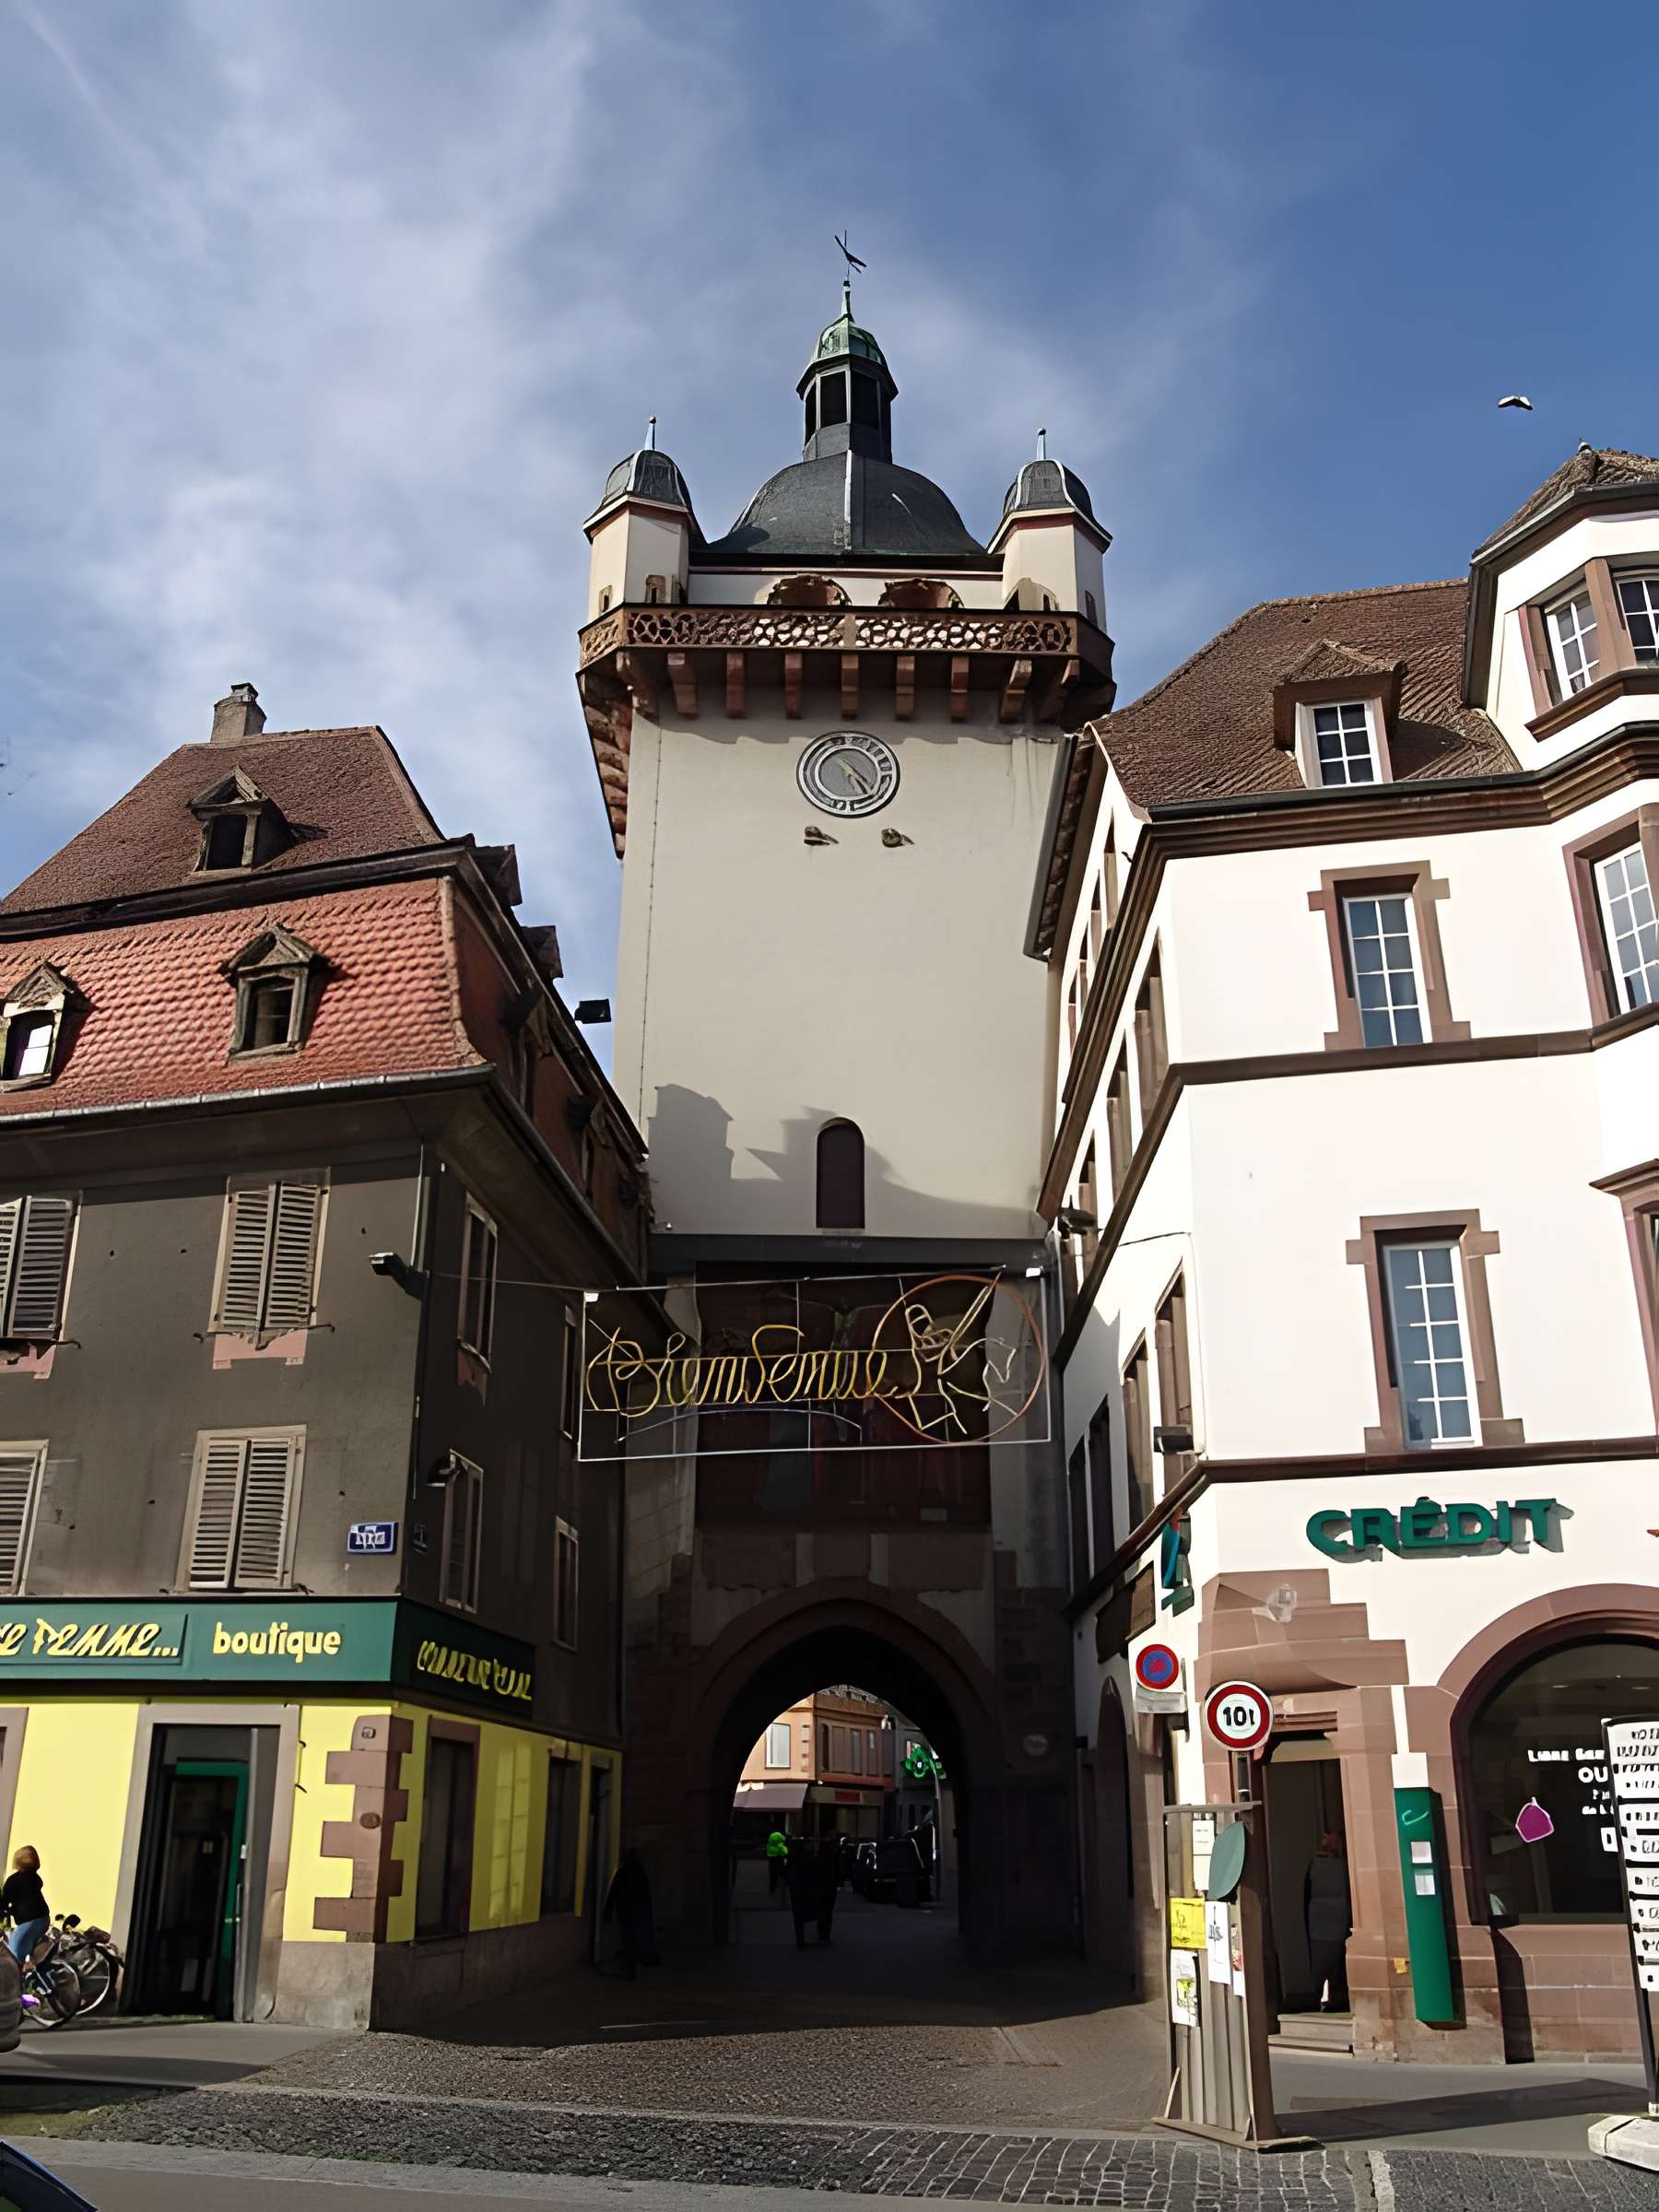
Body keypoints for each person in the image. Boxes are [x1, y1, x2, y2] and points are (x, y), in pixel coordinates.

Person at [1304, 1831, 1351, 2012]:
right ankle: (1324, 1997)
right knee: (1328, 1962)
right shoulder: (1325, 1865)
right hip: (1326, 1919)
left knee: (1328, 1962)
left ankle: (1329, 1997)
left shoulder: (1324, 1864)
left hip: (1327, 1919)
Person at [602, 1846, 658, 1981]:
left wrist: (607, 1914)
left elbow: (613, 1893)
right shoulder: (640, 1873)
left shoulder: (623, 1872)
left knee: (628, 1940)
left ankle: (630, 1967)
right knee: (635, 1939)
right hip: (638, 1913)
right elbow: (646, 1896)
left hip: (626, 1913)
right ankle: (633, 1966)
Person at [3, 1846, 48, 1971]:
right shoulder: (34, 1878)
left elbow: (3, 1902)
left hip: (30, 1922)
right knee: (28, 1955)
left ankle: (16, 1986)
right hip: (43, 1919)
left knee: (12, 1956)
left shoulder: (14, 1880)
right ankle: (30, 1977)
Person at [785, 1830, 819, 1947]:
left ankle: (800, 1938)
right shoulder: (808, 1859)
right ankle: (806, 1938)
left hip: (796, 1887)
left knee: (798, 1914)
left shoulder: (793, 1858)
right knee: (807, 1912)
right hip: (805, 1887)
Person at [813, 1835, 841, 1946]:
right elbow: (838, 1871)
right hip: (830, 1886)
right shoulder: (833, 1858)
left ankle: (821, 1932)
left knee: (821, 1910)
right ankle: (826, 1935)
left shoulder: (818, 1858)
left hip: (821, 1886)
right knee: (828, 1911)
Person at [766, 1828, 789, 1897]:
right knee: (779, 1873)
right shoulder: (779, 1839)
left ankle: (772, 1889)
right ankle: (780, 1887)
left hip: (772, 1856)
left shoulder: (772, 1837)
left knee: (773, 1873)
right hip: (778, 1857)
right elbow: (784, 1851)